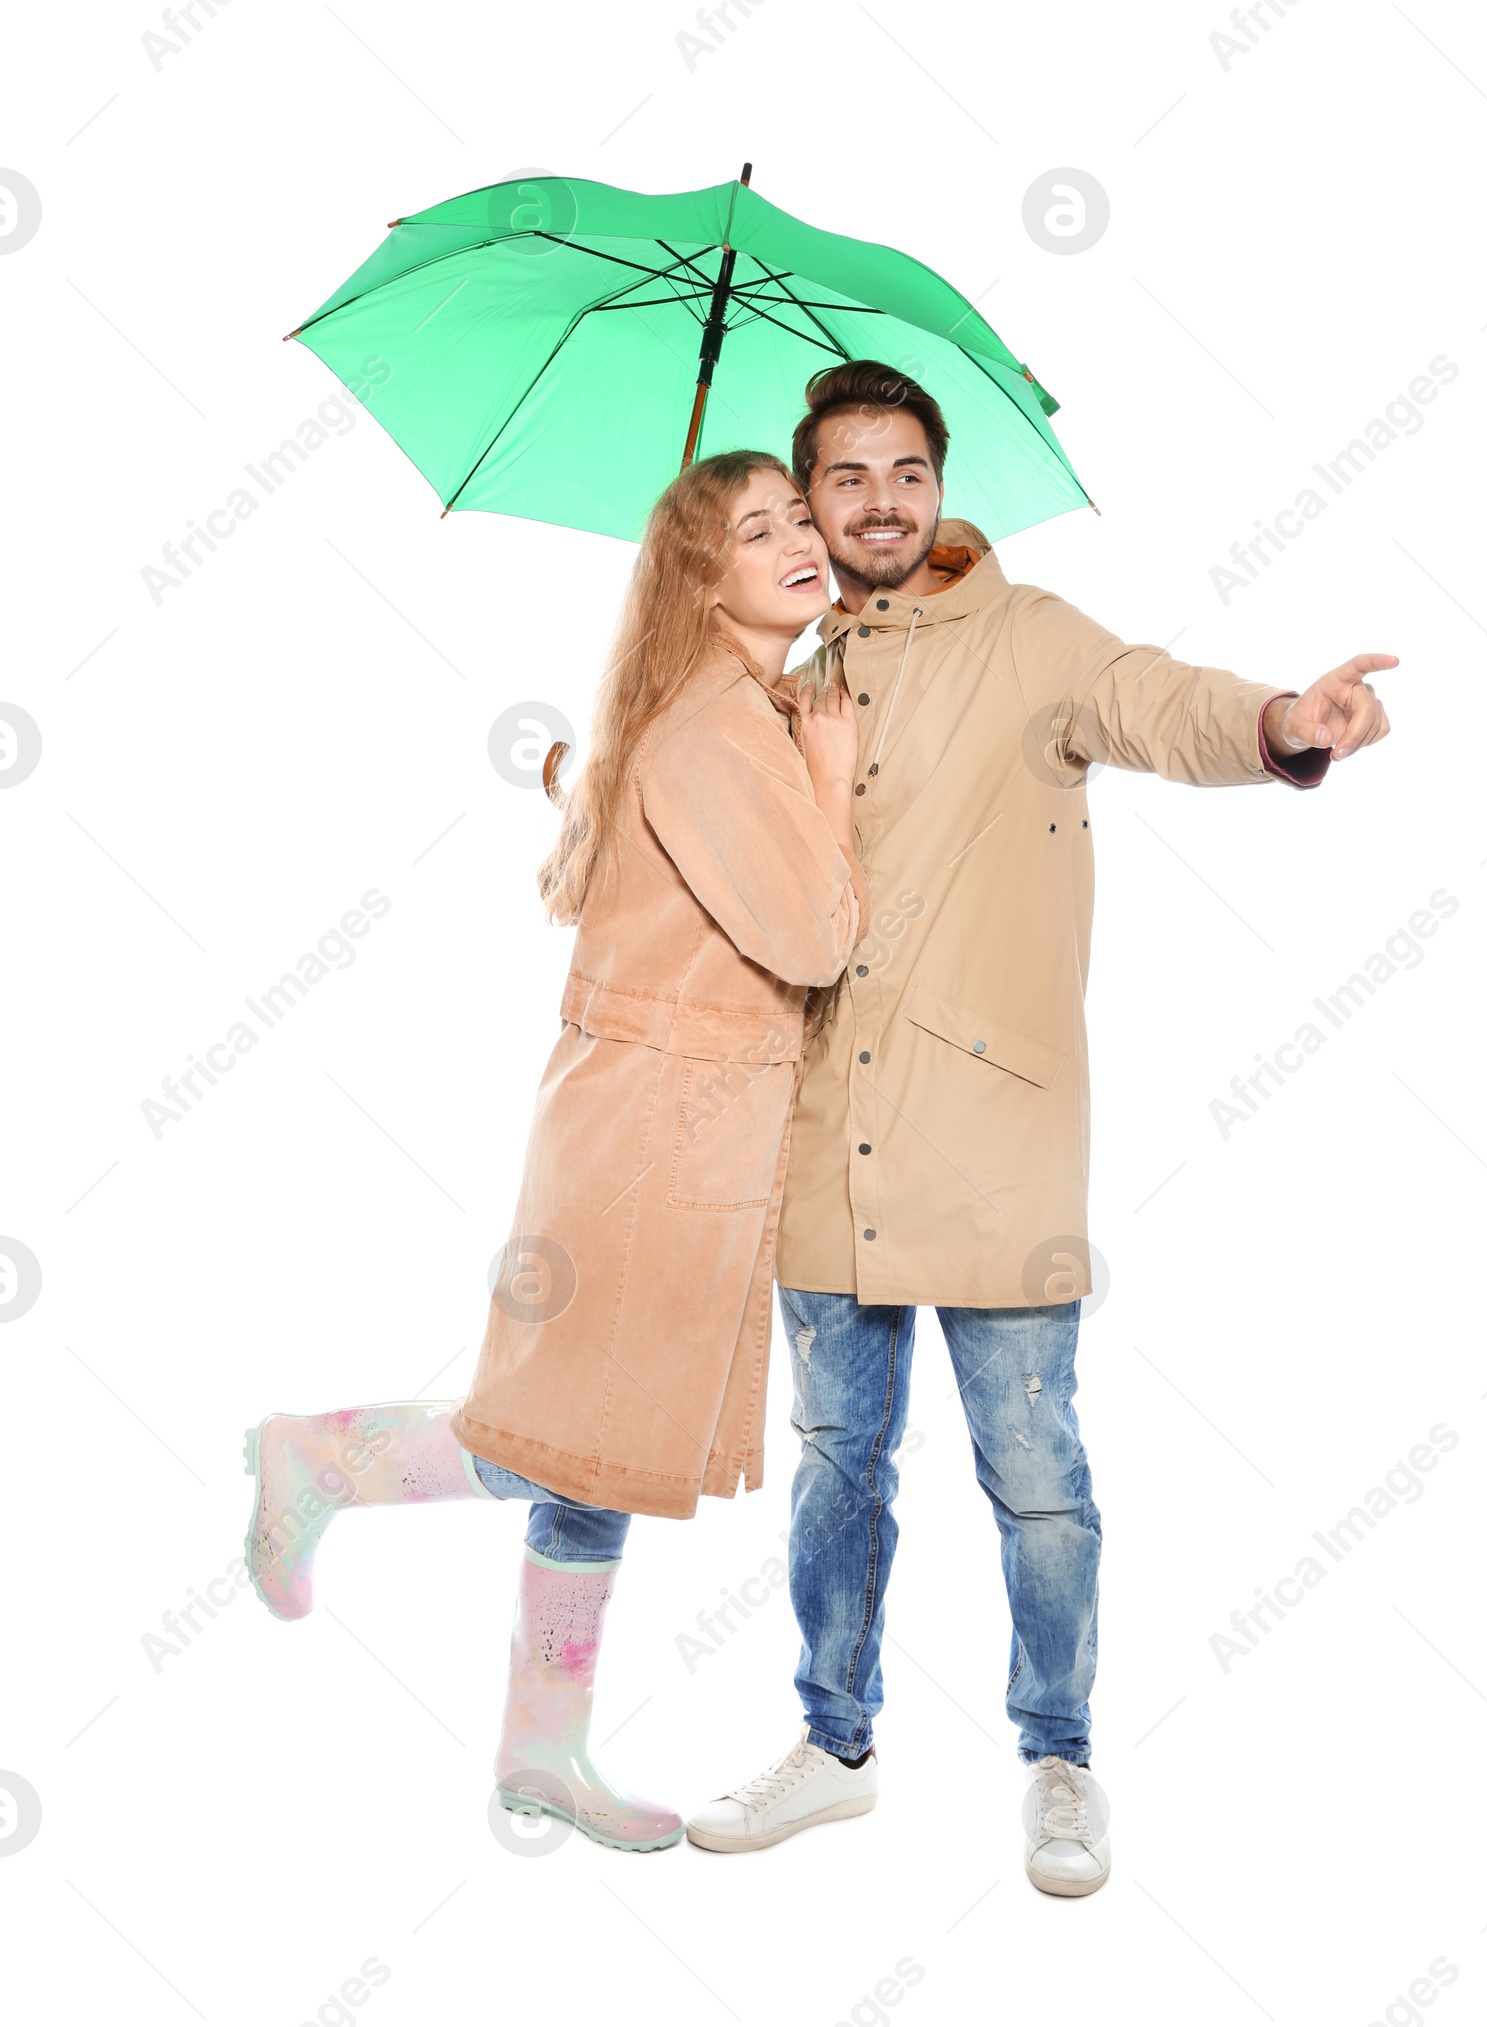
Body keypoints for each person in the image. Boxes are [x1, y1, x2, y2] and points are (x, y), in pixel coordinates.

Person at [684, 362, 1395, 1895]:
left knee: (1036, 1472)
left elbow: (1166, 704)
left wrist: (1286, 720)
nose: (879, 500)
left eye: (905, 471)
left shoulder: (1033, 638)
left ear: (939, 489)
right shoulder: (774, 671)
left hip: (995, 1137)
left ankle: (1059, 1759)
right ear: (802, 500)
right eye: (846, 477)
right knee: (833, 1463)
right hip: (816, 1136)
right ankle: (836, 1743)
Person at [243, 451, 868, 1853]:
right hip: (657, 1134)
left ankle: (543, 1751)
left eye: (794, 519)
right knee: (573, 1447)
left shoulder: (716, 718)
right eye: (752, 529)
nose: (795, 541)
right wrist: (827, 786)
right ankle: (324, 1459)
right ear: (700, 582)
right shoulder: (722, 734)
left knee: (603, 1454)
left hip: (663, 1121)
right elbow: (820, 940)